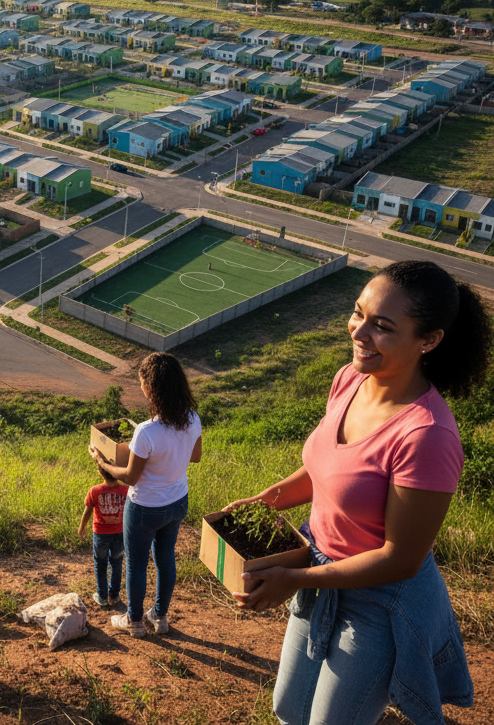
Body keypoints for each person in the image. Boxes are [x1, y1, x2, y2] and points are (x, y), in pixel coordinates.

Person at [226, 260, 484, 725]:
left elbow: (401, 558)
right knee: (288, 708)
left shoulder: (427, 435)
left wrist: (295, 580)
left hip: (378, 601)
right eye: (358, 313)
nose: (359, 332)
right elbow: (330, 471)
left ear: (429, 340)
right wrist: (267, 500)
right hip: (317, 570)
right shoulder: (350, 380)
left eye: (382, 326)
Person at [90, 352, 202, 637]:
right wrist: (168, 458)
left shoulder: (146, 431)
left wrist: (102, 463)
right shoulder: (192, 418)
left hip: (145, 507)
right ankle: (160, 617)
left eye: (141, 382)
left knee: (137, 563)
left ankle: (135, 621)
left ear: (151, 387)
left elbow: (129, 476)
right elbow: (196, 456)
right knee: (166, 558)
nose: (141, 387)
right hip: (177, 501)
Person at [78, 462, 129, 608]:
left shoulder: (95, 491)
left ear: (100, 472)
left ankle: (102, 596)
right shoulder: (126, 491)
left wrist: (82, 526)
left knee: (100, 564)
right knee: (117, 562)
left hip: (101, 533)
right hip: (120, 532)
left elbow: (87, 510)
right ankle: (114, 596)